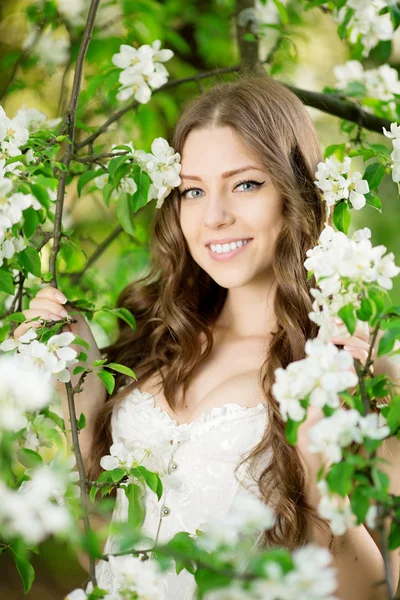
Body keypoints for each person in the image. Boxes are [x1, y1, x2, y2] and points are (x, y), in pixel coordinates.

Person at [14, 75, 400, 599]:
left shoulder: (356, 365)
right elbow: (105, 559)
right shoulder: (152, 342)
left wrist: (314, 468)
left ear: (296, 190)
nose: (214, 216)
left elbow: (378, 592)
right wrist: (79, 410)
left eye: (245, 184)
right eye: (193, 190)